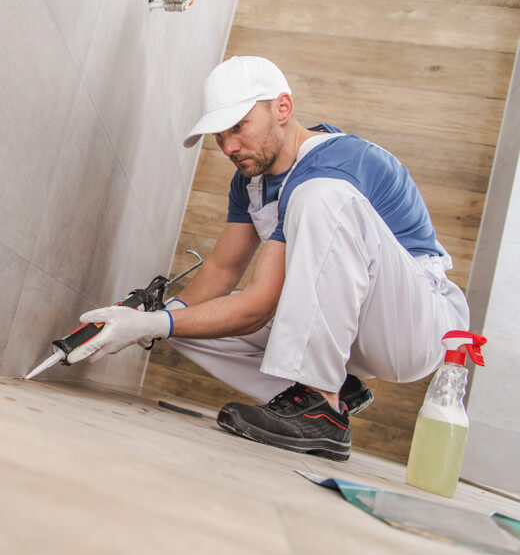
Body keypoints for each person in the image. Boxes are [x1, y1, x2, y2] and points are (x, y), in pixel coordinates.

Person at [68, 56, 469, 461]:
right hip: (354, 325)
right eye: (219, 135)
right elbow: (223, 270)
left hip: (416, 324)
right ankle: (335, 385)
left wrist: (152, 322)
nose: (228, 147)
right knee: (184, 323)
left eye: (238, 127)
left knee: (320, 196)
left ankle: (322, 407)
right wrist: (145, 322)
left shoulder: (338, 163)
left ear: (282, 108)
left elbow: (259, 305)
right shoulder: (250, 181)